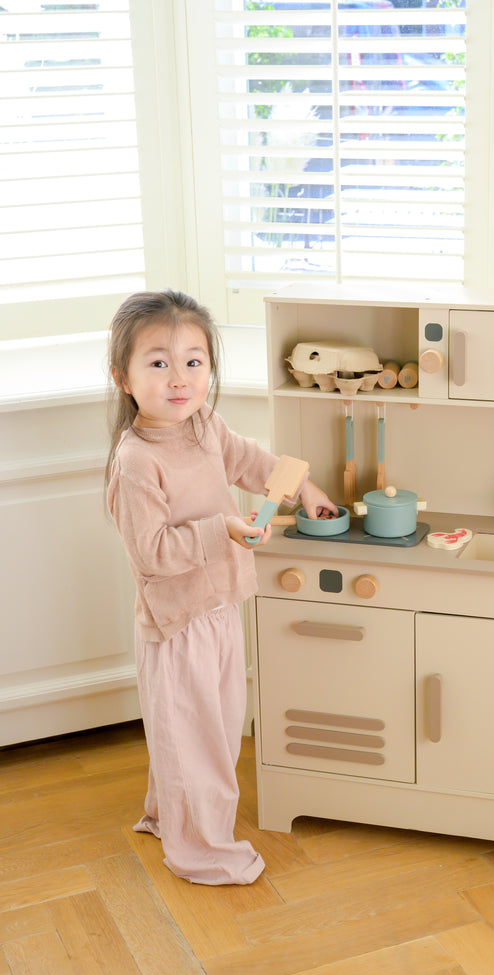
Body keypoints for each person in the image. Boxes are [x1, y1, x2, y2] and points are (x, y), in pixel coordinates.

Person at [105, 289, 337, 885]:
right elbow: (153, 554)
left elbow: (249, 460)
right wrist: (222, 529)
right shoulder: (136, 462)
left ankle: (169, 816)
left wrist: (302, 484)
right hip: (176, 621)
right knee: (195, 739)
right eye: (157, 363)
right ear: (123, 377)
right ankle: (201, 847)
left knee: (209, 729)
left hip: (220, 608)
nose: (178, 378)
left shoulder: (205, 426)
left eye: (193, 361)